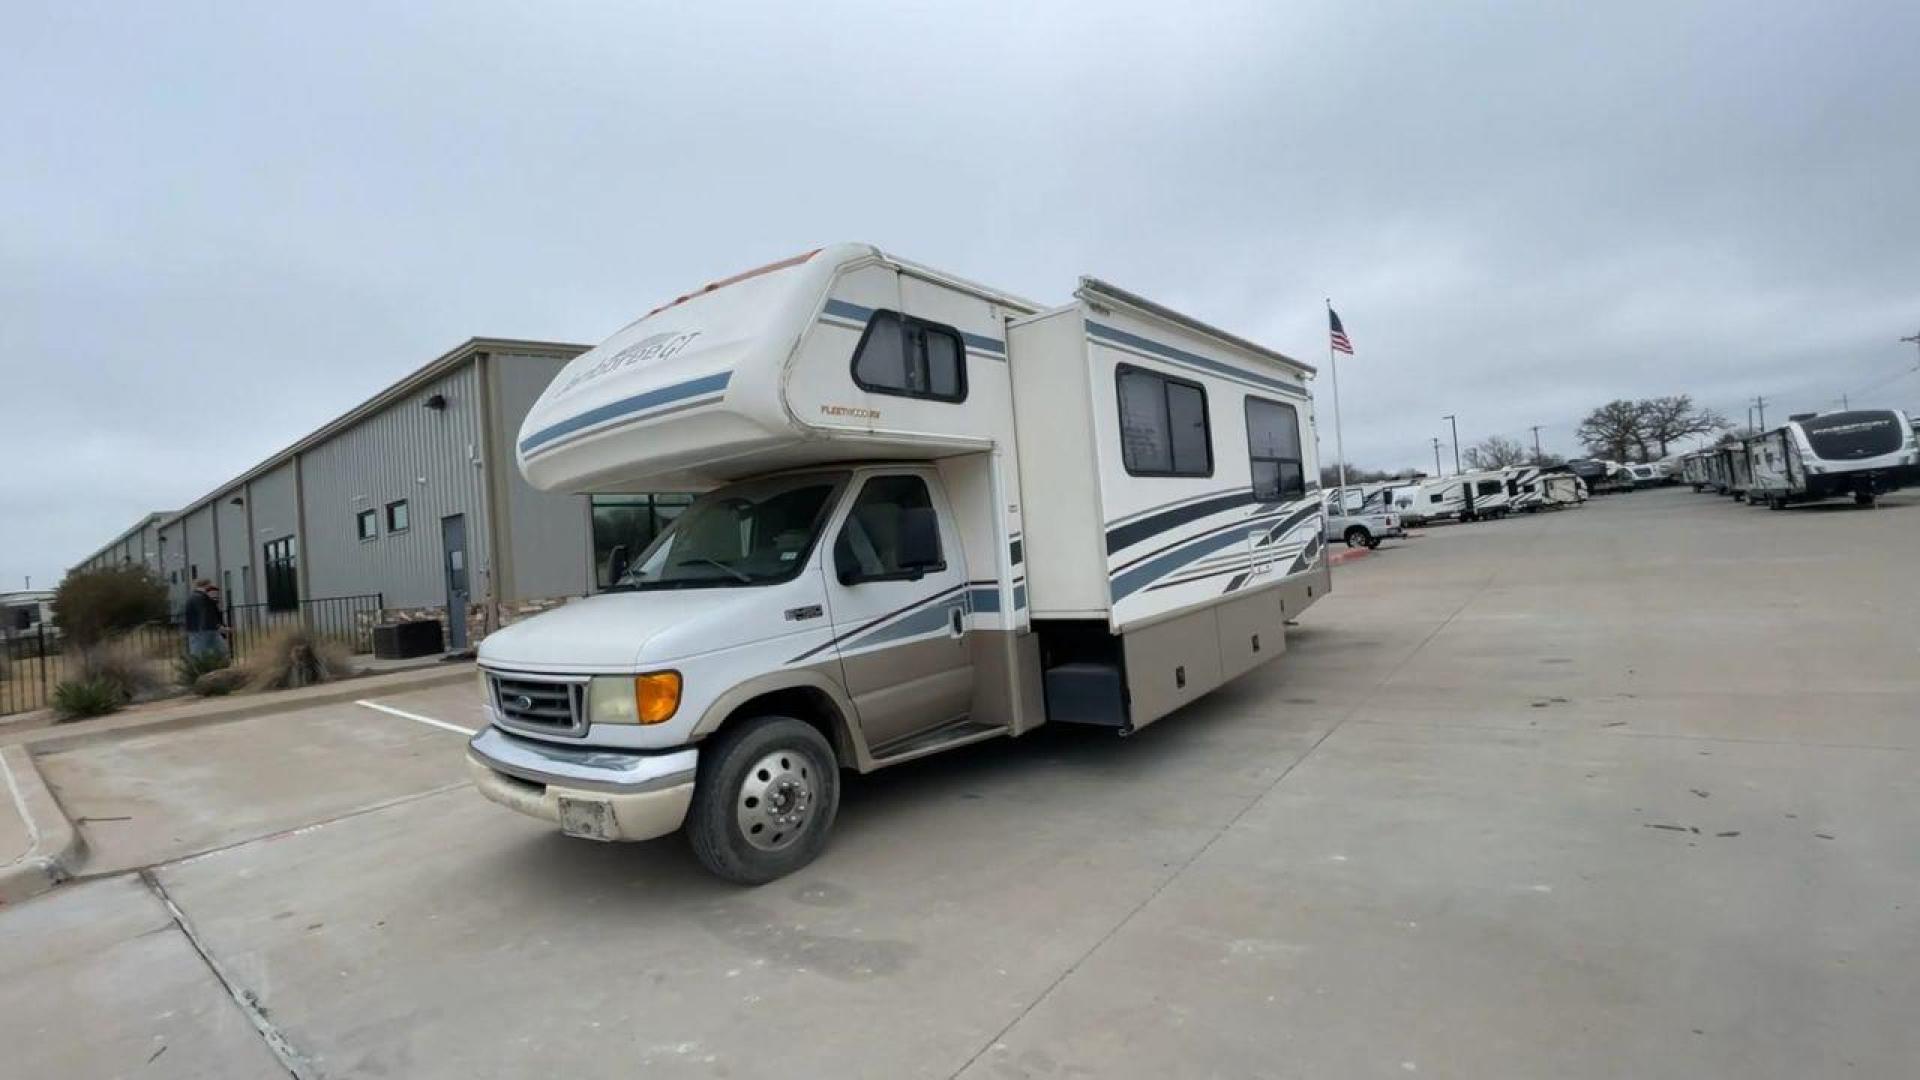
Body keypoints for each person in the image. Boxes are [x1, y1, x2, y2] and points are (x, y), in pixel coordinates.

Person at [182, 579, 228, 659]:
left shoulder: (199, 597)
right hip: (201, 630)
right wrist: (219, 626)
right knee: (199, 653)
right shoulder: (199, 597)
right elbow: (206, 613)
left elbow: (211, 613)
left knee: (219, 651)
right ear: (205, 586)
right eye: (209, 586)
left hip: (203, 629)